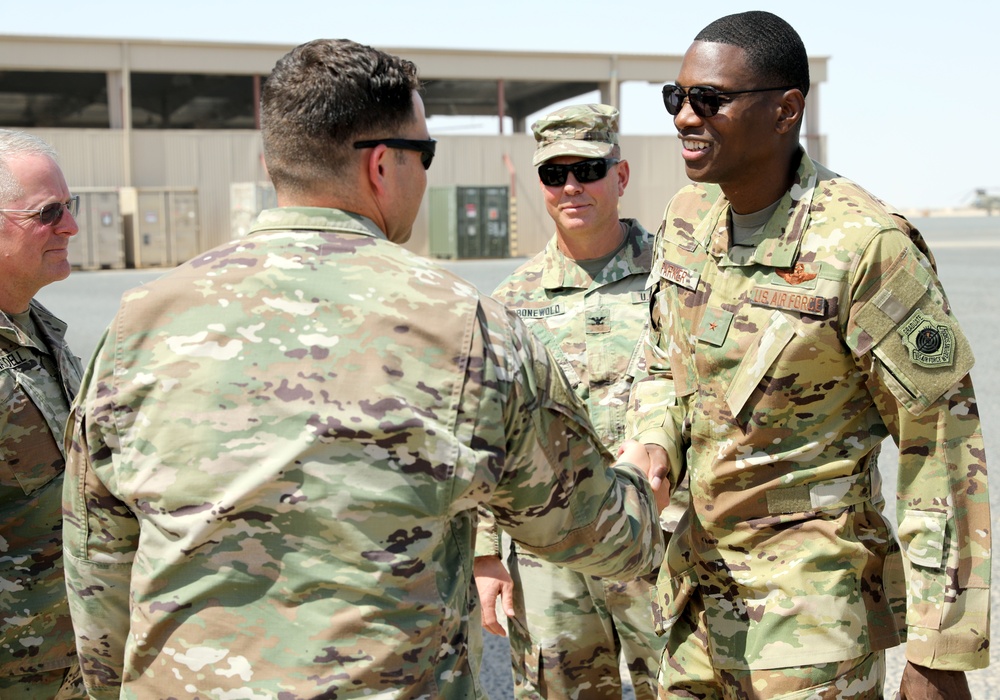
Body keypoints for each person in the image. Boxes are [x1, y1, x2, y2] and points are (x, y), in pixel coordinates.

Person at [61, 38, 668, 700]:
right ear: (383, 165)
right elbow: (601, 531)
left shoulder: (138, 325)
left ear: (274, 163)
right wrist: (640, 479)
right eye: (425, 155)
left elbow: (97, 570)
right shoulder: (467, 327)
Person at [630, 10, 992, 699]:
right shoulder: (684, 220)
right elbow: (658, 363)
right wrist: (652, 442)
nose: (684, 117)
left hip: (810, 632)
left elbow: (943, 451)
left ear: (785, 110)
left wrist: (938, 651)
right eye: (676, 97)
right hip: (692, 614)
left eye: (709, 99)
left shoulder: (865, 247)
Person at [474, 104, 678, 699]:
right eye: (553, 173)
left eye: (587, 169)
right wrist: (487, 554)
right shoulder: (509, 301)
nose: (571, 186)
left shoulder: (676, 279)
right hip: (549, 551)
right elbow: (492, 431)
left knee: (681, 684)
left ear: (620, 176)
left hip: (656, 537)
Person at [0, 130, 86, 698]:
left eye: (69, 207)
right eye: (48, 213)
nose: (70, 227)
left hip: (66, 664)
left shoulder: (41, 329)